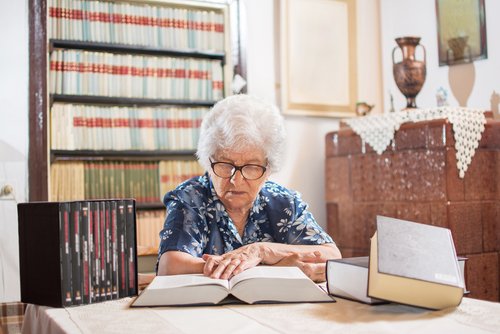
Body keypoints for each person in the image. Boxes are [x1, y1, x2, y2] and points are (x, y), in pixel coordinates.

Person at [157, 94, 341, 282]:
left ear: (269, 169)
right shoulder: (190, 197)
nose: (236, 180)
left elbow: (332, 255)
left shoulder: (284, 202)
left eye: (252, 167)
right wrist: (273, 268)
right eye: (225, 165)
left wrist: (261, 250)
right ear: (208, 161)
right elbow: (169, 266)